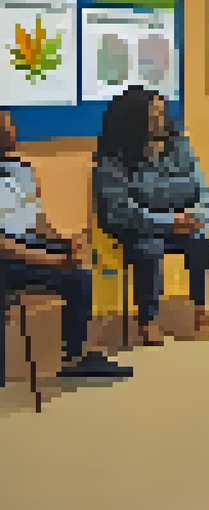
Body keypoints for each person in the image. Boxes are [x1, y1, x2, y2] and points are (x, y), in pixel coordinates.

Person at [0, 110, 133, 379]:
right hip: (7, 256)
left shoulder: (21, 169)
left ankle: (76, 355)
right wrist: (53, 260)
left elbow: (37, 220)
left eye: (10, 124)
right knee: (72, 275)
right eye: (5, 127)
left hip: (26, 243)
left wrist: (64, 240)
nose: (12, 131)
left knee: (80, 270)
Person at [93, 86, 209, 347]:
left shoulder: (179, 144)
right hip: (132, 225)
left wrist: (197, 216)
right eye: (153, 114)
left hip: (177, 220)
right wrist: (169, 221)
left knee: (198, 237)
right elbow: (121, 210)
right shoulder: (111, 157)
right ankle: (147, 318)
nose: (161, 119)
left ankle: (200, 307)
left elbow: (203, 189)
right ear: (135, 120)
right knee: (149, 246)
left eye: (162, 112)